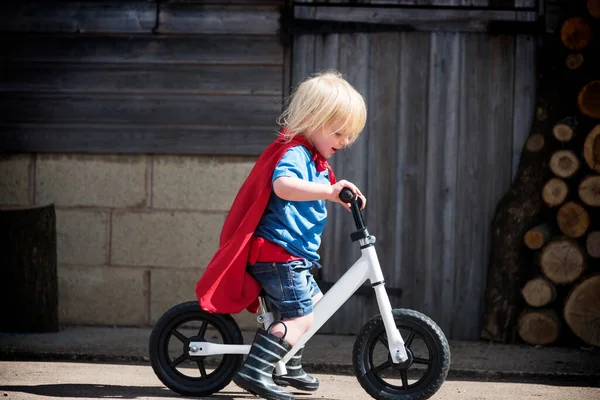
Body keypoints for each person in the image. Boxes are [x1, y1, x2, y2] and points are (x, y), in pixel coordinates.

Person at [195, 70, 367, 400]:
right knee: (300, 316)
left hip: (290, 254)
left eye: (350, 135)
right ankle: (257, 371)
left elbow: (316, 189)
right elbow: (282, 186)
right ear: (315, 119)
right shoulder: (295, 153)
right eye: (340, 132)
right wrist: (329, 191)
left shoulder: (314, 160)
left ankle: (286, 362)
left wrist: (337, 193)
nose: (345, 141)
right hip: (278, 253)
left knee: (313, 306)